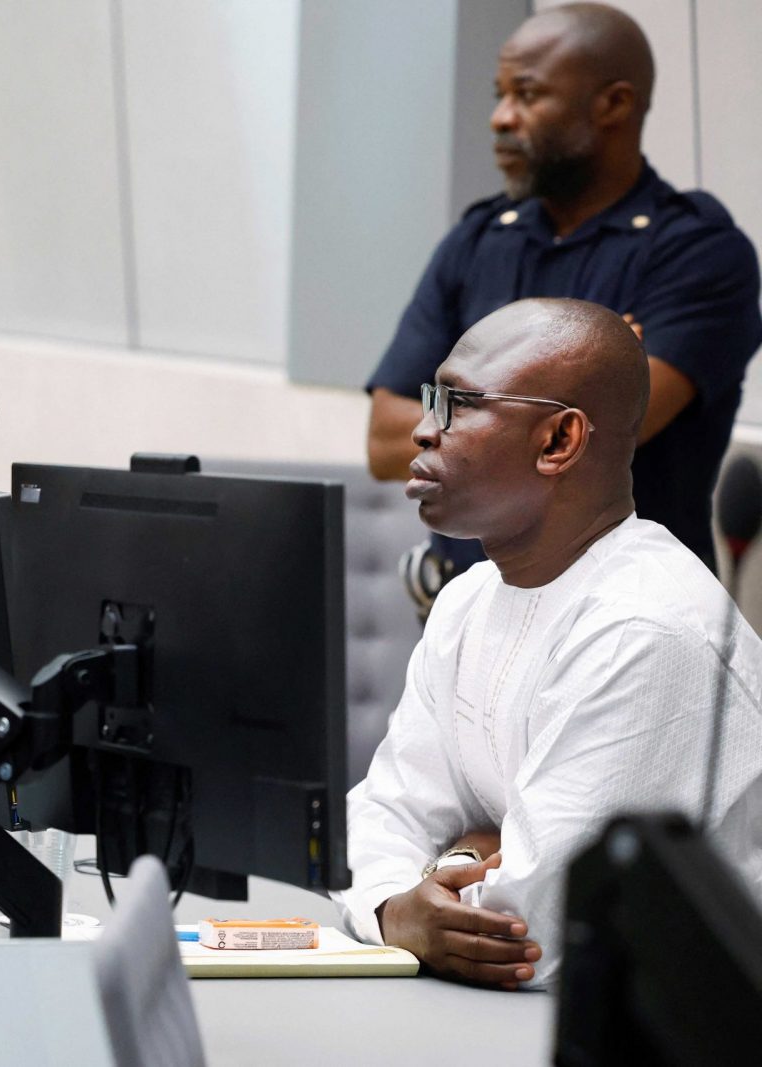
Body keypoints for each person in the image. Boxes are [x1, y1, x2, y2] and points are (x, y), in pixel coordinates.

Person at [335, 297, 762, 990]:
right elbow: (377, 816)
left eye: (458, 403)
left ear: (558, 441)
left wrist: (437, 876)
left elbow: (527, 935)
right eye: (428, 397)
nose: (420, 428)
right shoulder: (468, 598)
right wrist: (414, 889)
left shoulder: (644, 628)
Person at [366, 2, 761, 582]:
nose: (501, 118)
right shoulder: (479, 240)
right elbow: (381, 440)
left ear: (613, 104)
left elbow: (599, 436)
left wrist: (462, 407)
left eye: (527, 95)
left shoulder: (696, 251)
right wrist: (552, 397)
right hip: (466, 611)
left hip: (624, 623)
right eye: (499, 95)